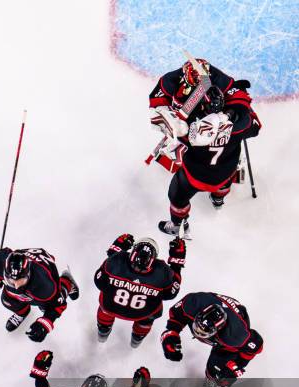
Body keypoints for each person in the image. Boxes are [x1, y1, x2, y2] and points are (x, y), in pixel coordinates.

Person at [148, 59, 261, 234]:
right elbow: (255, 126)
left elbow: (177, 133)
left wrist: (172, 123)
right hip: (226, 171)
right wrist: (236, 110)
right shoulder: (241, 128)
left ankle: (178, 226)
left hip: (194, 175)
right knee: (224, 182)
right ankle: (218, 199)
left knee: (177, 196)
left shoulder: (191, 133)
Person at [161, 292, 263, 387]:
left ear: (218, 330)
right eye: (197, 326)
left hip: (235, 325)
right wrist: (171, 334)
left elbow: (257, 345)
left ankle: (211, 385)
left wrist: (236, 366)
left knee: (216, 370)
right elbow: (177, 316)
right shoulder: (193, 303)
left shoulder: (235, 336)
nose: (197, 332)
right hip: (214, 306)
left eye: (203, 332)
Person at [94, 233, 185, 347]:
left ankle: (103, 331)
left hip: (110, 307)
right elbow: (171, 294)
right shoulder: (162, 272)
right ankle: (137, 340)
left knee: (106, 299)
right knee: (153, 310)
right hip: (142, 314)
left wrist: (115, 249)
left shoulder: (117, 260)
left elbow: (99, 281)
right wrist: (177, 263)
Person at [0, 247, 79, 339]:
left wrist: (45, 323)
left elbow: (59, 304)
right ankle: (22, 312)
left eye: (20, 280)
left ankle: (67, 281)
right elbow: (2, 256)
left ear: (28, 275)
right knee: (7, 299)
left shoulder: (45, 286)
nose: (16, 286)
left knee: (47, 305)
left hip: (44, 270)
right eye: (11, 280)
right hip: (30, 261)